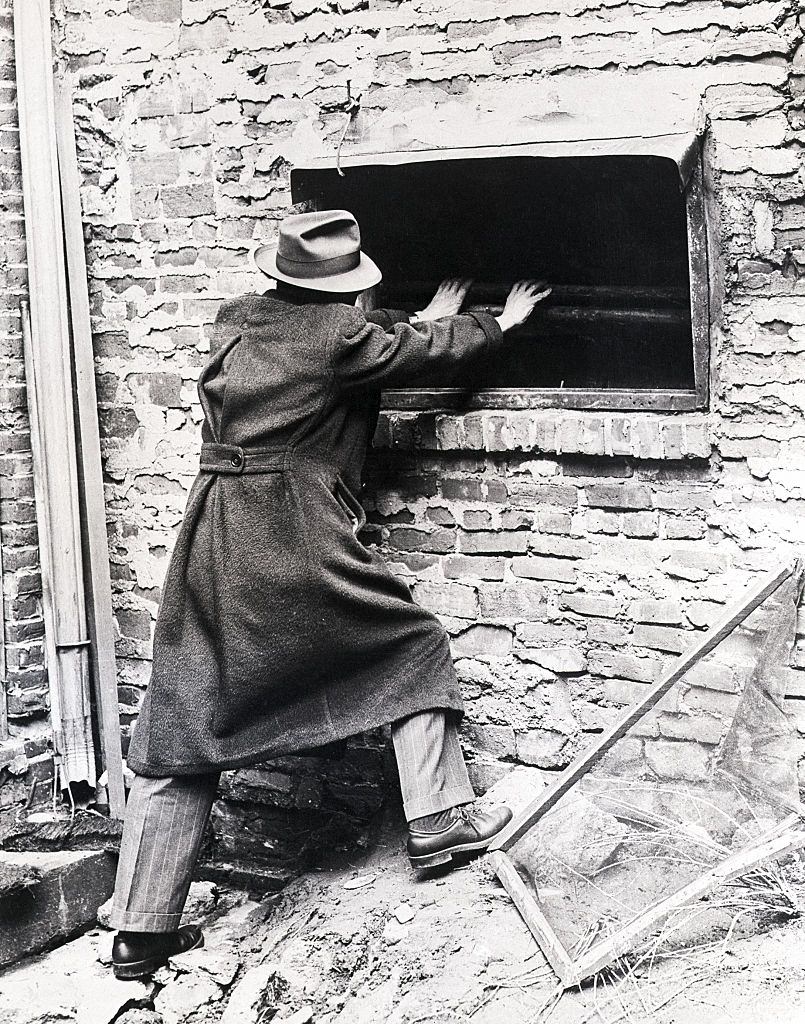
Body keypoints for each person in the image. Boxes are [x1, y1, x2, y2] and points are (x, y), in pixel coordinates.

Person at [109, 209, 550, 979]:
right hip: (293, 526)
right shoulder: (340, 341)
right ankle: (443, 819)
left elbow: (354, 343)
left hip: (214, 530)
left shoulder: (237, 320)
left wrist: (408, 320)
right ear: (342, 294)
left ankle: (140, 931)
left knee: (185, 711)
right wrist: (494, 322)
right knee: (406, 643)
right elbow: (406, 355)